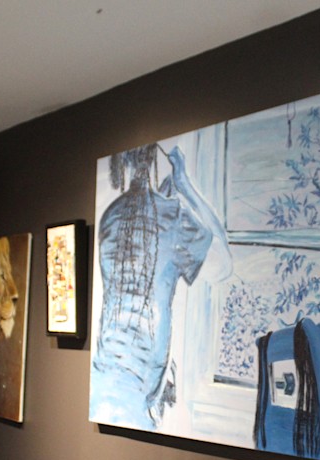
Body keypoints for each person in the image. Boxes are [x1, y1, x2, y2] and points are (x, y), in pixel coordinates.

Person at [91, 143, 230, 429]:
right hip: (135, 396)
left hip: (102, 384)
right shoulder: (174, 217)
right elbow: (223, 265)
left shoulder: (110, 216)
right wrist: (186, 186)